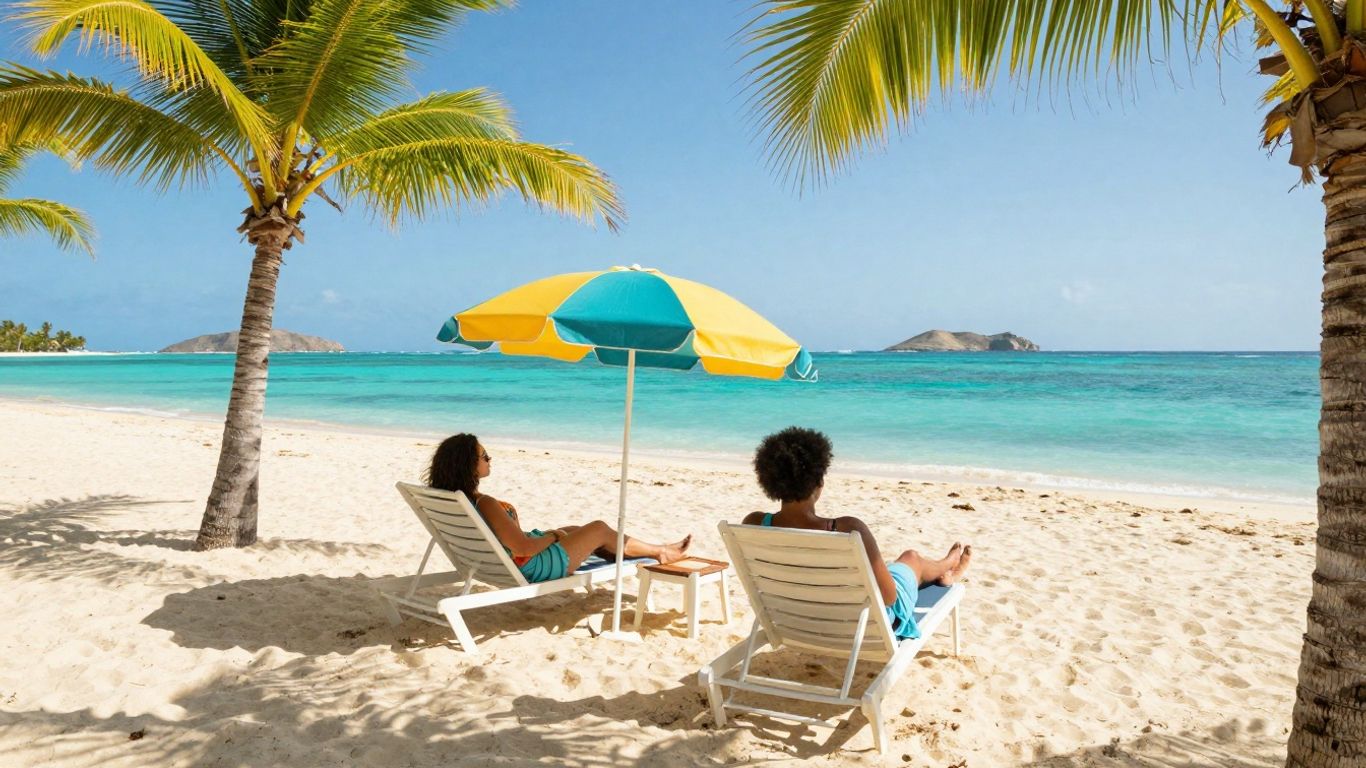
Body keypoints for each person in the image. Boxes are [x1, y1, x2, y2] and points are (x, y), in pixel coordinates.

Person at [741, 427, 971, 640]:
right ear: (819, 482)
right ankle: (947, 566)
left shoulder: (753, 523)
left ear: (769, 480)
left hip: (794, 620)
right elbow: (889, 598)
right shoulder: (848, 529)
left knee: (895, 567)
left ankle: (944, 571)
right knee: (911, 559)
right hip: (859, 625)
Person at [425, 433, 692, 583]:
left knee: (575, 529)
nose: (489, 459)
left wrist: (557, 532)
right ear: (468, 465)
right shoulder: (485, 504)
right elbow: (523, 549)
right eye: (484, 456)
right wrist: (553, 537)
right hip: (531, 567)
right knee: (597, 528)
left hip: (490, 563)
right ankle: (661, 552)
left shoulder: (452, 499)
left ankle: (639, 551)